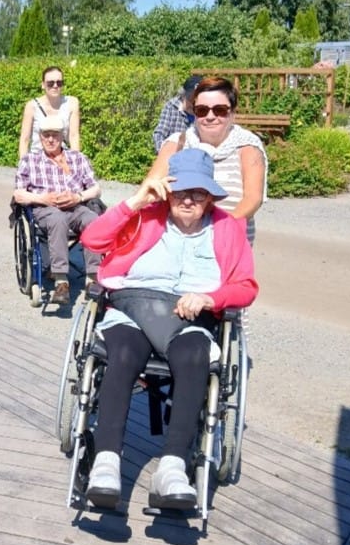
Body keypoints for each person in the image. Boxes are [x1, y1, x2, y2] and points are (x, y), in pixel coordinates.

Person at [79, 149, 258, 509]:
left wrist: (210, 298)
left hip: (190, 318)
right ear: (167, 191)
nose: (188, 200)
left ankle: (173, 467)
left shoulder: (227, 227)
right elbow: (92, 240)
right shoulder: (145, 217)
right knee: (122, 352)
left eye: (198, 193)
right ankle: (106, 463)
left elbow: (246, 287)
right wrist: (135, 201)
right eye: (180, 192)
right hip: (133, 309)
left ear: (210, 197)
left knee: (194, 357)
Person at [148, 76, 267, 244]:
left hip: (229, 243)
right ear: (194, 112)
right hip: (179, 244)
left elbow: (253, 199)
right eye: (202, 110)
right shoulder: (177, 143)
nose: (210, 116)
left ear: (232, 112)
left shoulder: (248, 147)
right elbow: (150, 191)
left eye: (219, 110)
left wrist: (217, 231)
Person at [14, 116, 102, 305]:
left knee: (94, 220)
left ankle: (92, 278)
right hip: (45, 209)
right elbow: (18, 194)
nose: (50, 139)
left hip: (75, 206)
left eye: (55, 135)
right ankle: (61, 280)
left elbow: (96, 189)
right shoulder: (30, 160)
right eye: (46, 135)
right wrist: (43, 199)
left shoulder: (77, 158)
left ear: (62, 136)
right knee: (58, 219)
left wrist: (78, 197)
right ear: (40, 137)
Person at [18, 65, 80, 158]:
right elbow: (25, 139)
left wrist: (76, 160)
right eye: (50, 83)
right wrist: (23, 162)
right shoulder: (32, 106)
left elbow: (74, 136)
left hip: (61, 158)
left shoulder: (72, 103)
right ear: (43, 85)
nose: (55, 86)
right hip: (37, 158)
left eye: (59, 83)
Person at [152, 74, 202, 153]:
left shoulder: (206, 112)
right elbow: (159, 134)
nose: (193, 104)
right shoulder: (171, 106)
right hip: (172, 153)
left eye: (197, 100)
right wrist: (163, 153)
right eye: (191, 99)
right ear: (183, 95)